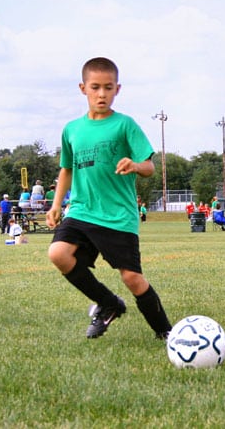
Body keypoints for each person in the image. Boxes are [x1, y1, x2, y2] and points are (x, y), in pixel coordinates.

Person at [46, 57, 171, 340]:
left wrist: (135, 165)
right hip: (81, 210)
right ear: (83, 88)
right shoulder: (72, 129)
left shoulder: (125, 125)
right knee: (58, 254)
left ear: (118, 89)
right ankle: (108, 303)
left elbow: (150, 167)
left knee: (132, 278)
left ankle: (165, 332)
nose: (101, 94)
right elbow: (67, 169)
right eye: (95, 87)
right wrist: (56, 205)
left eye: (108, 87)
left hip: (117, 215)